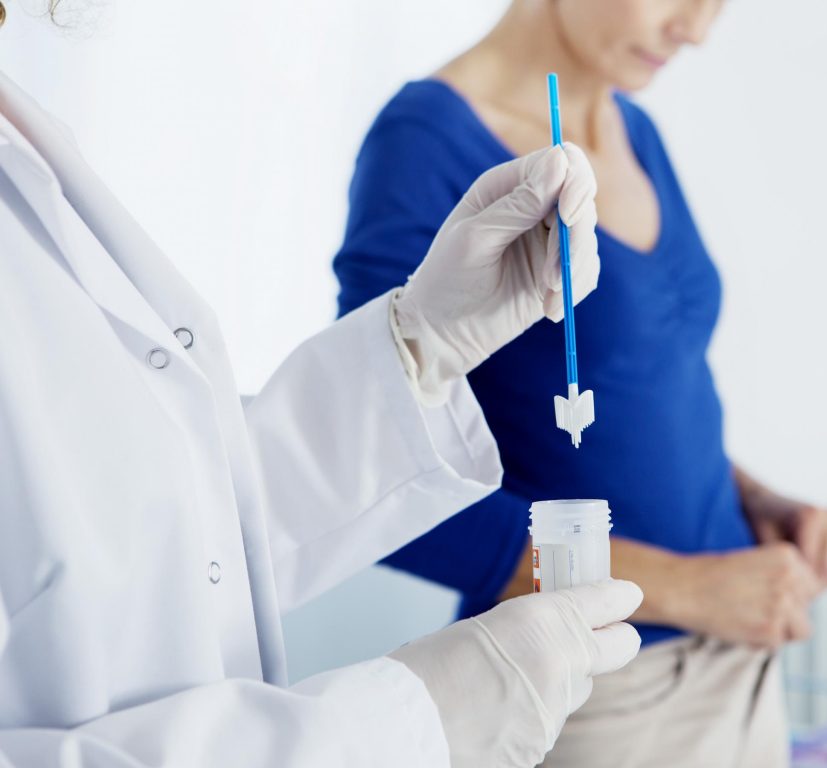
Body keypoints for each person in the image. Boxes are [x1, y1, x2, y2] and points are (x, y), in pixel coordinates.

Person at [0, 5, 645, 767]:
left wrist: (422, 346)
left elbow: (168, 535)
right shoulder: (427, 127)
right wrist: (418, 720)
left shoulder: (24, 138)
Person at [333, 0, 827, 764]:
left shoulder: (632, 129)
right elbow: (375, 482)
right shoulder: (425, 142)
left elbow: (644, 388)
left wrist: (747, 498)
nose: (696, 30)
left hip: (743, 662)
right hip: (601, 690)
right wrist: (689, 587)